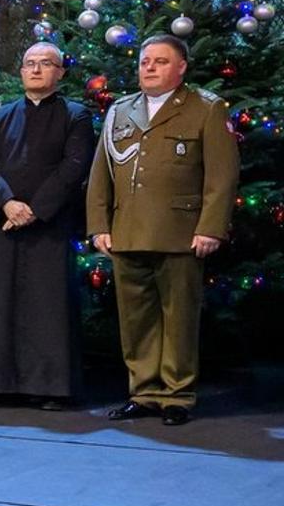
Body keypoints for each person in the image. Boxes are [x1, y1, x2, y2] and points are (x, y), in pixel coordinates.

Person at [90, 35, 237, 426]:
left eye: (160, 61)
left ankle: (177, 395)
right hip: (127, 230)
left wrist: (210, 228)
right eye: (145, 62)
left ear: (181, 67)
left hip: (180, 232)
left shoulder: (205, 108)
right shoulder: (121, 110)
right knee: (135, 319)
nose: (150, 68)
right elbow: (101, 173)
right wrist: (99, 225)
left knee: (179, 317)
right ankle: (144, 392)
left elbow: (222, 176)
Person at [0, 43, 93, 409]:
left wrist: (35, 210)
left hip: (49, 225)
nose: (35, 70)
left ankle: (49, 388)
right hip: (3, 222)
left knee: (47, 307)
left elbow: (74, 166)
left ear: (60, 72)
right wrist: (6, 202)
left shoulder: (76, 115)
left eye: (45, 64)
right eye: (29, 64)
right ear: (21, 72)